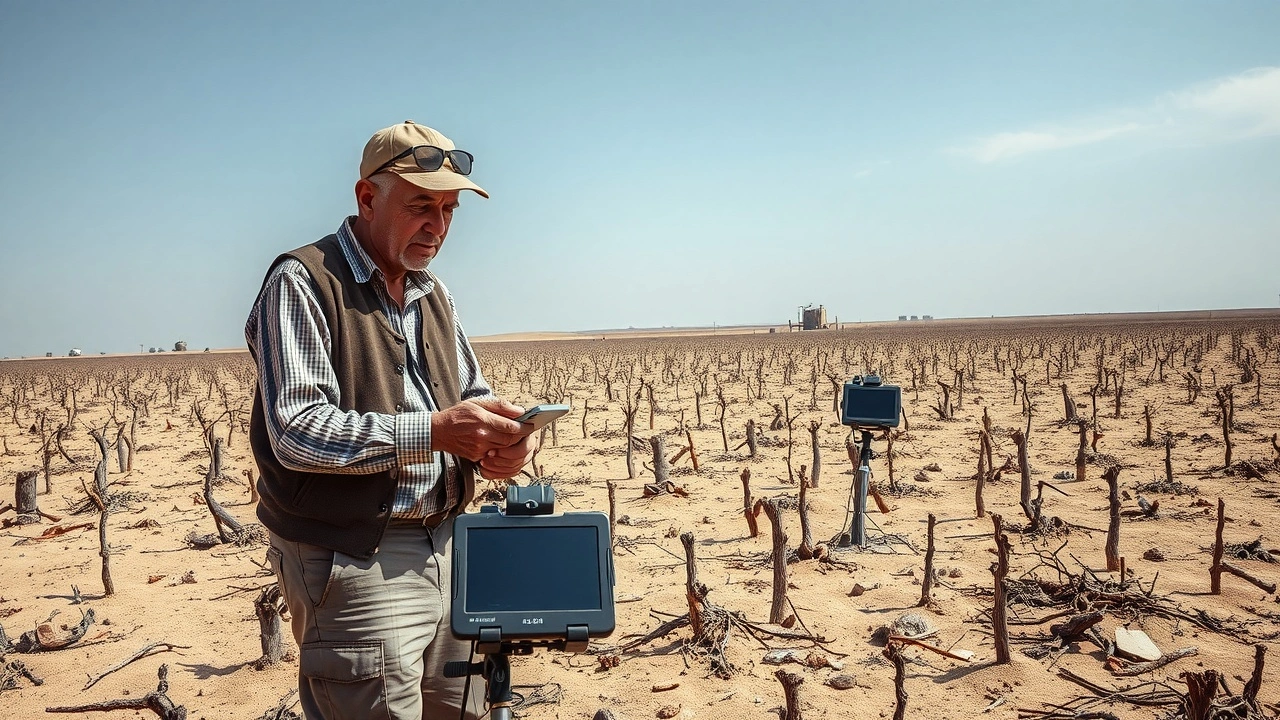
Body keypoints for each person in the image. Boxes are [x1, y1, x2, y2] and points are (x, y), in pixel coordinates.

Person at [245, 120, 537, 719]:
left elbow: (470, 394)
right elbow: (297, 430)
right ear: (367, 198)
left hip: (450, 546)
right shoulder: (303, 281)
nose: (438, 225)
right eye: (421, 206)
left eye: (449, 209)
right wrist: (433, 432)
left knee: (466, 707)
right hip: (355, 558)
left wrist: (499, 443)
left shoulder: (433, 292)